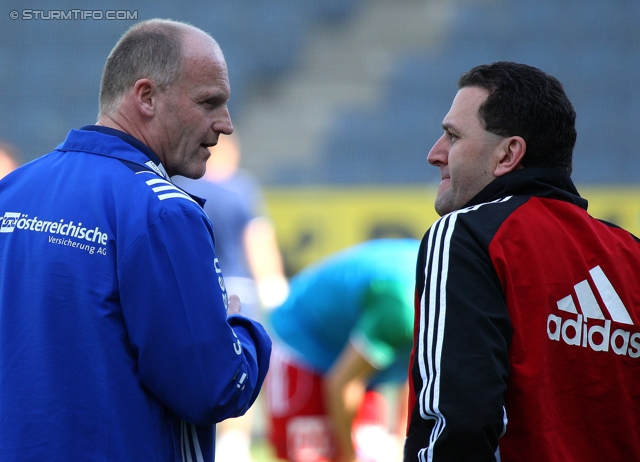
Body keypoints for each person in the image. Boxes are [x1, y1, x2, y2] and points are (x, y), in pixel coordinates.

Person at [0, 19, 271, 462]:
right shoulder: (162, 210)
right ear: (146, 97)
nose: (225, 125)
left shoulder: (12, 191)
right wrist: (242, 330)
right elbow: (214, 388)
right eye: (209, 103)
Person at [404, 61, 640, 462]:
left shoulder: (466, 235)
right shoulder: (631, 254)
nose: (434, 154)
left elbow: (457, 422)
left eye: (452, 136)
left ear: (508, 154)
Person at [174, 133, 289, 462]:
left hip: (198, 289)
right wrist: (273, 284)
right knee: (240, 364)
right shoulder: (240, 188)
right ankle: (234, 446)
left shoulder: (182, 185)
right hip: (239, 290)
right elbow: (258, 239)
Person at [266, 239, 420, 462]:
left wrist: (401, 442)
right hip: (303, 341)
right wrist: (348, 456)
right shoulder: (403, 306)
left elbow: (415, 373)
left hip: (357, 350)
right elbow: (342, 384)